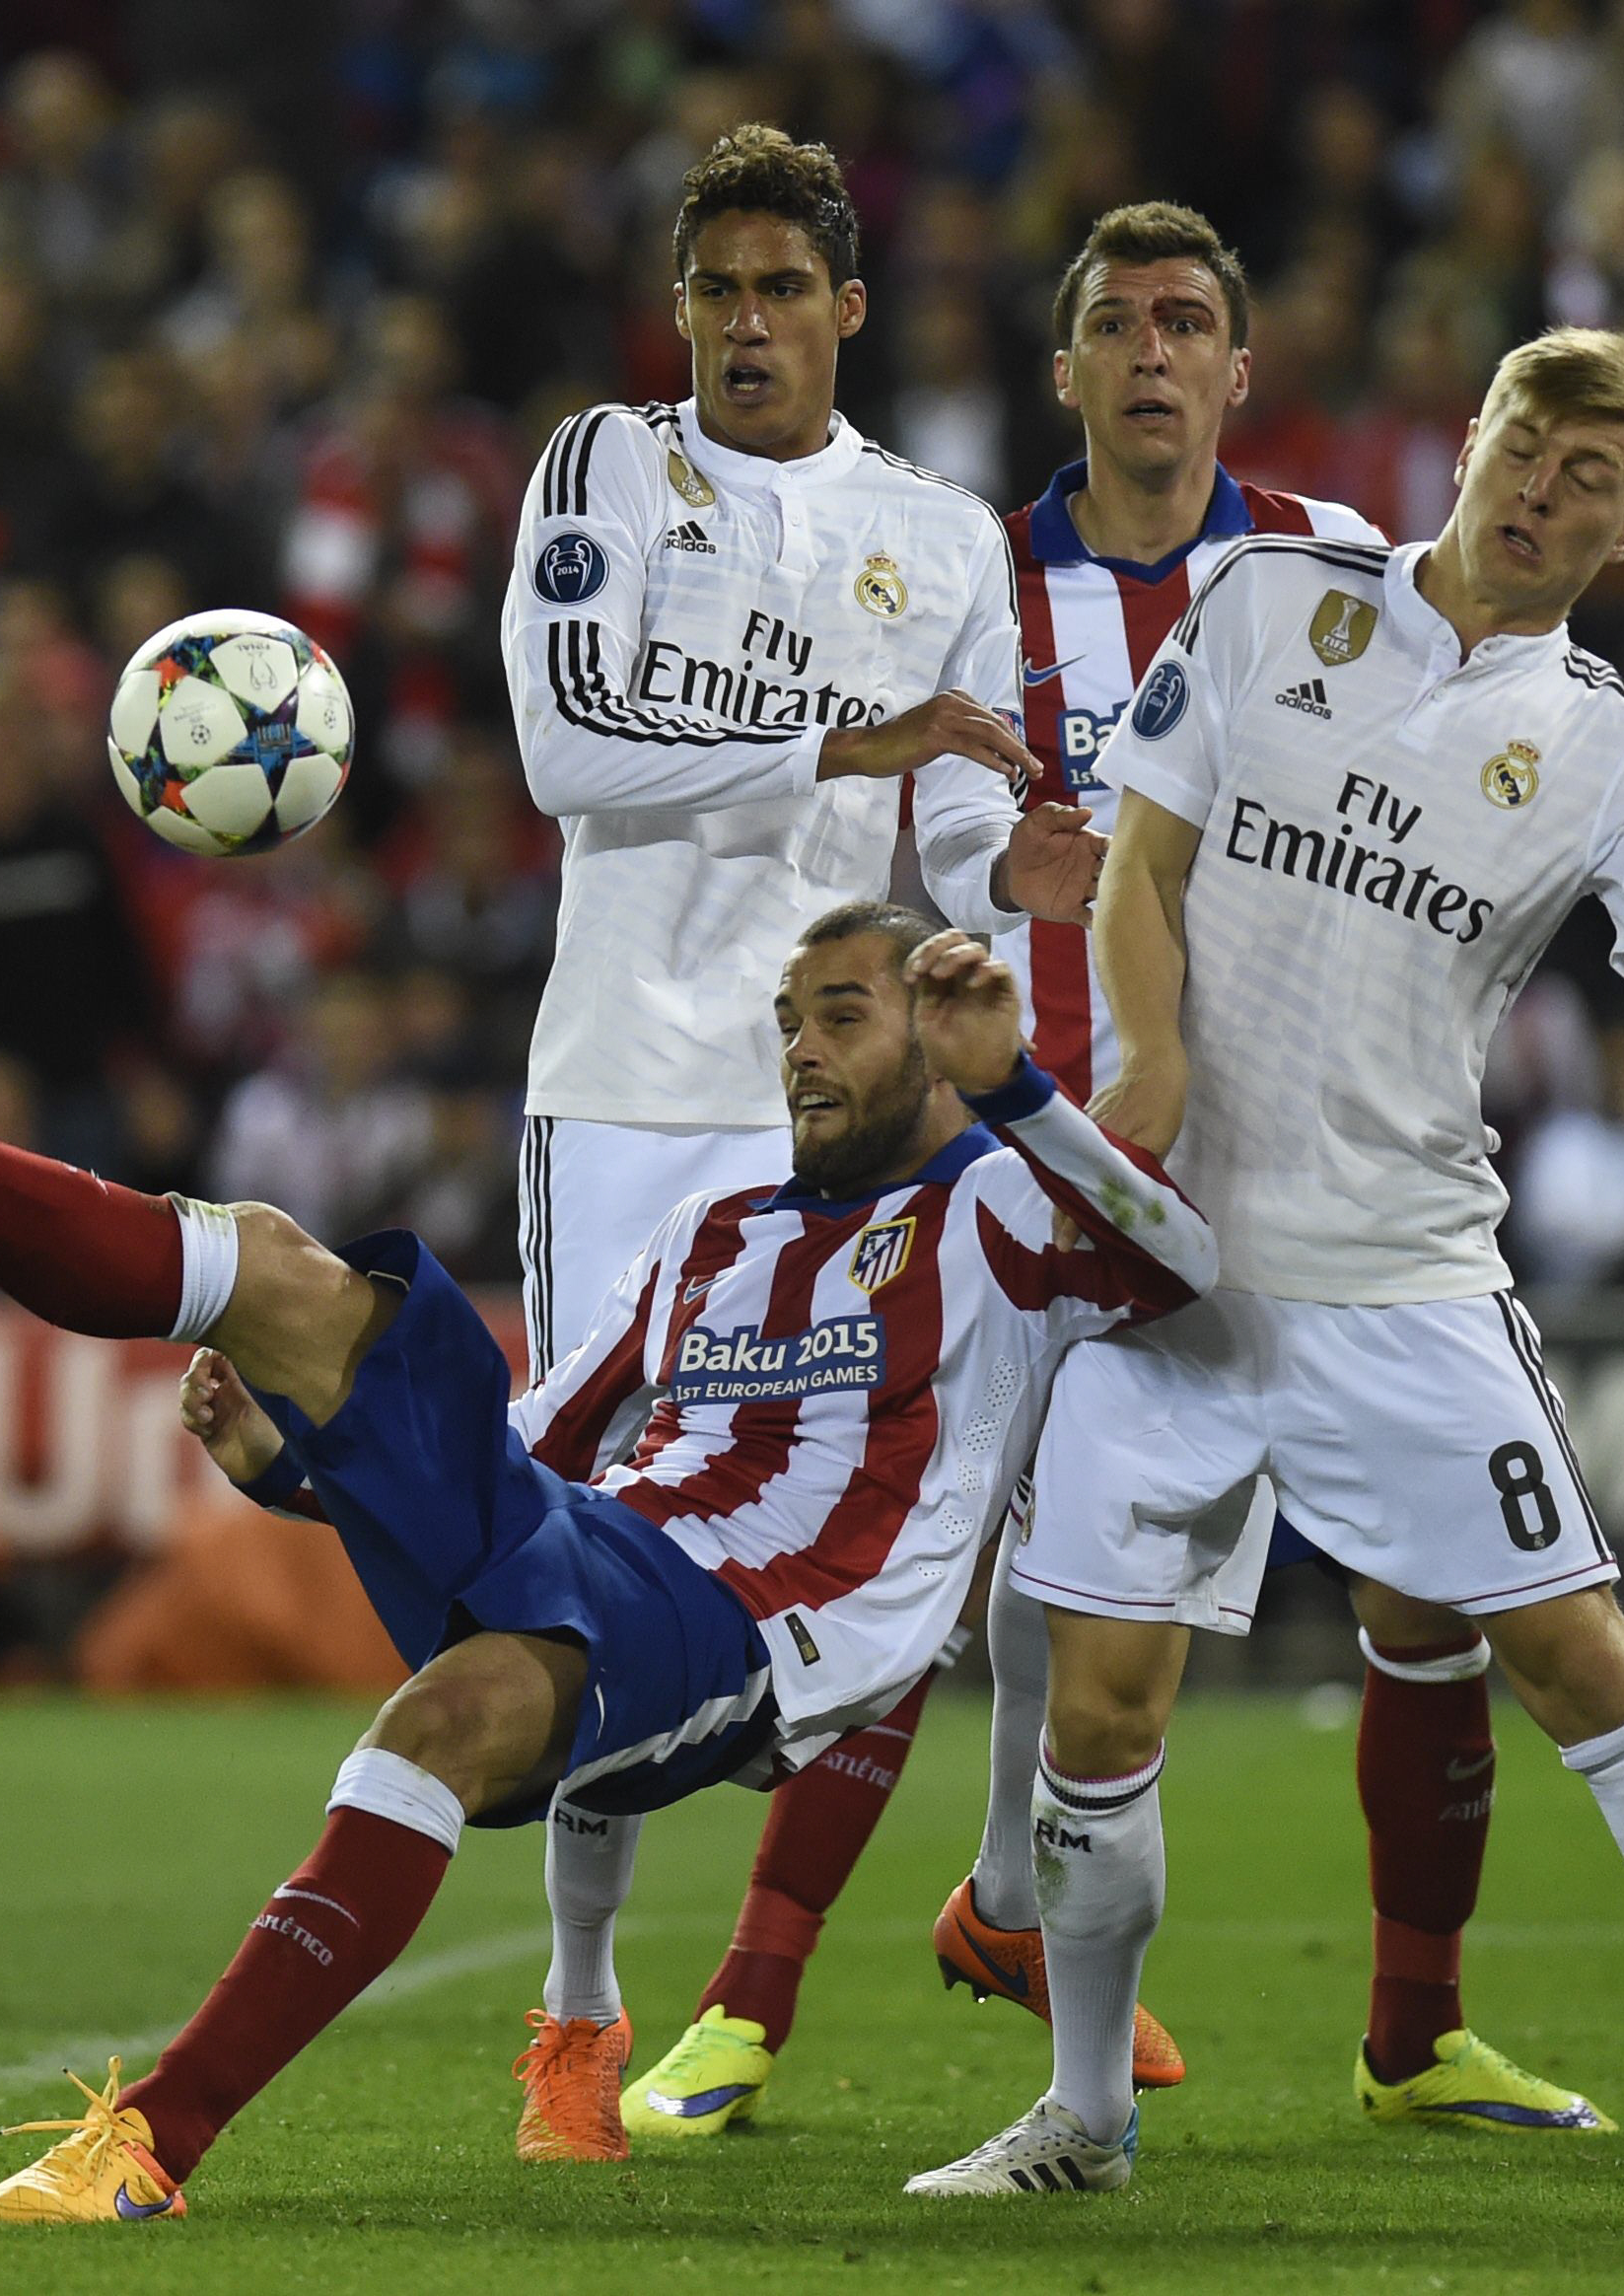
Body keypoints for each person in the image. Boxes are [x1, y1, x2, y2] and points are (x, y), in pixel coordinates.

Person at [910, 326, 1624, 2219]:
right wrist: (1151, 1071)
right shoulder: (1269, 602)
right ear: (1475, 444)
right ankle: (1084, 2120)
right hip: (1166, 1269)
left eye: (1592, 480)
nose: (1543, 492)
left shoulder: (1610, 749)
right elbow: (1142, 862)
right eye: (1528, 447)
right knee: (1096, 1713)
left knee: (1587, 1669)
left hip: (1399, 1279)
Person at [0, 893, 1213, 2221]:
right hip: (608, 1540)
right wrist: (298, 1473)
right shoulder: (717, 1229)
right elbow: (540, 1430)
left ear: (935, 1037)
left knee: (407, 1615)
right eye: (786, 1022)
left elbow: (1181, 1268)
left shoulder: (1003, 1207)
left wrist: (1014, 1079)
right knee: (301, 1328)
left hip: (765, 1629)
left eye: (843, 1015)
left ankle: (148, 2137)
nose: (800, 1050)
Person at [623, 202, 1609, 2149]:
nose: (1148, 351)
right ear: (1060, 371)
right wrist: (1006, 890)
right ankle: (748, 2000)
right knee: (917, 1561)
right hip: (1032, 1168)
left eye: (1183, 323)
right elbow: (934, 838)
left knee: (1411, 1609)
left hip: (1293, 1187)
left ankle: (1404, 2030)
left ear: (1235, 372)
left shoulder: (1337, 571)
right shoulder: (970, 589)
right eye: (1110, 324)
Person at [496, 122, 1101, 2160]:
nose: (745, 324)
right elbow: (566, 753)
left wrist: (1000, 872)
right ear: (675, 317)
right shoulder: (604, 466)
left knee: (912, 1537)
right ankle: (577, 2015)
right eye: (714, 292)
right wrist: (856, 743)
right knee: (573, 1539)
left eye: (782, 290)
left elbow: (933, 844)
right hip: (628, 1082)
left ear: (847, 309)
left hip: (846, 1112)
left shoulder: (935, 537)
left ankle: (912, 1938)